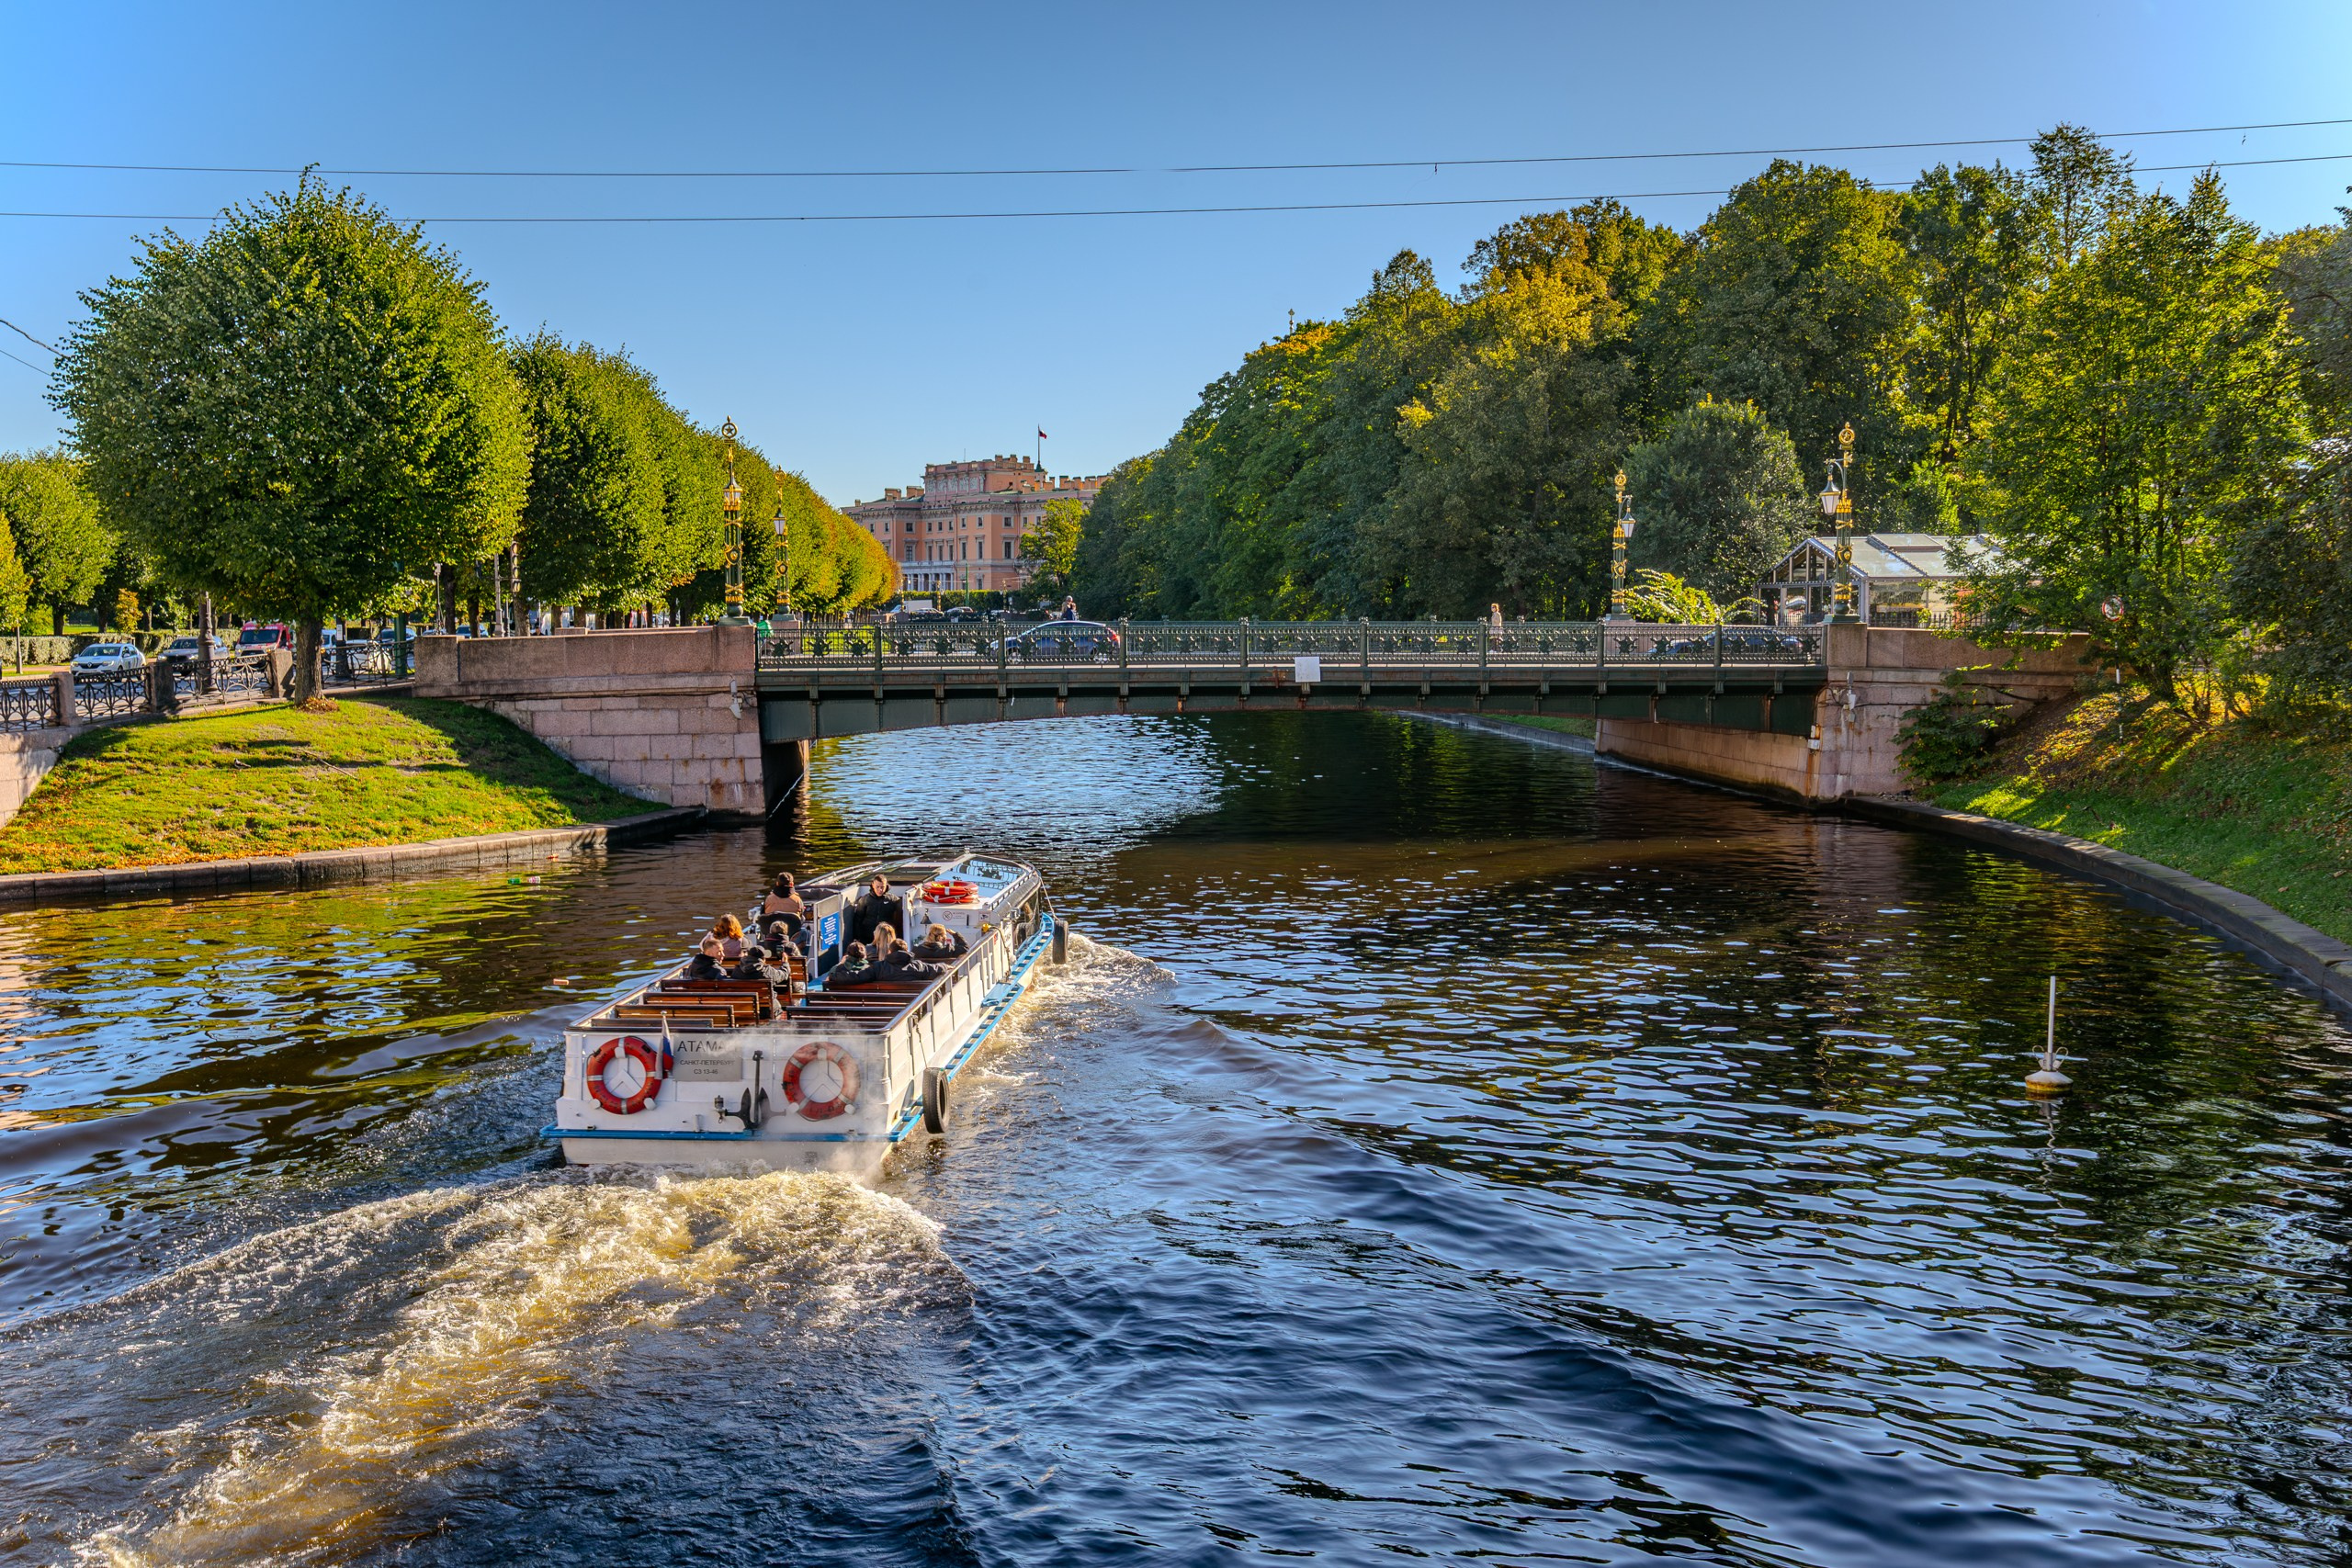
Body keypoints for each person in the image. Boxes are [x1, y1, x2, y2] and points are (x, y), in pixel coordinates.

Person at [688, 913, 748, 980]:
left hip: (711, 966)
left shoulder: (709, 937)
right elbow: (746, 950)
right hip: (733, 966)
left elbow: (702, 947)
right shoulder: (740, 940)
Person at [850, 874, 901, 945]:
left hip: (885, 937)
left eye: (882, 887)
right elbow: (857, 920)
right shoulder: (865, 899)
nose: (880, 890)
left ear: (886, 886)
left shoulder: (892, 899)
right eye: (877, 887)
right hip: (867, 937)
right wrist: (857, 937)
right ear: (873, 885)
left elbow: (904, 904)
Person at [875, 935, 944, 983]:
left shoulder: (879, 966)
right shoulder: (918, 966)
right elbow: (935, 969)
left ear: (890, 951)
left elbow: (865, 974)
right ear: (907, 951)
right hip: (914, 1001)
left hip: (885, 1002)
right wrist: (945, 966)